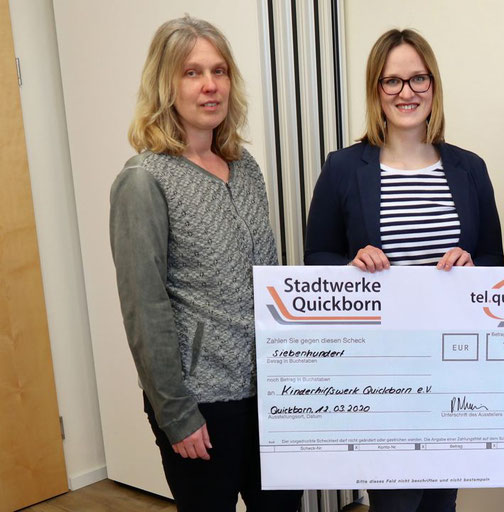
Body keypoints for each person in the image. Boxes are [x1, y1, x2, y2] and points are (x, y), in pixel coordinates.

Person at [304, 28, 503, 511]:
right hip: (382, 376)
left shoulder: (469, 168)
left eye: (418, 79)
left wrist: (471, 265)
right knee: (396, 502)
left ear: (434, 87)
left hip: (453, 371)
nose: (406, 92)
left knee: (441, 501)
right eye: (392, 81)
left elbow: (496, 262)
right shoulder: (343, 168)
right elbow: (316, 259)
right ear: (376, 90)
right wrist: (353, 265)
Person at [110, 16, 302, 511]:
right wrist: (176, 413)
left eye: (219, 71)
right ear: (165, 84)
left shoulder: (245, 168)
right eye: (192, 73)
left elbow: (269, 278)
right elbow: (143, 306)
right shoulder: (144, 180)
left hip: (270, 390)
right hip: (202, 402)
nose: (210, 85)